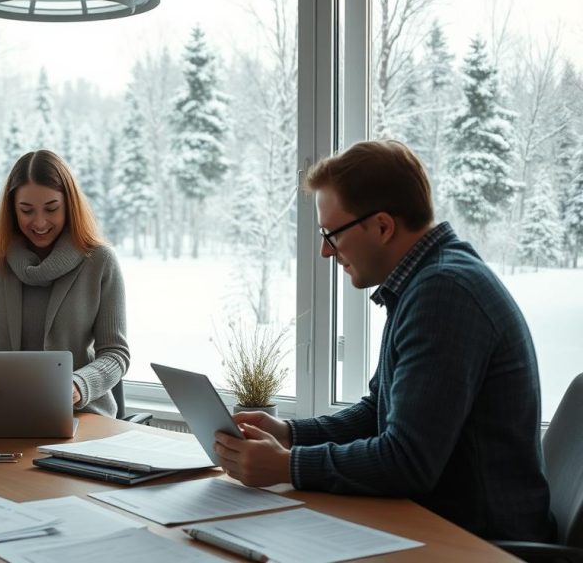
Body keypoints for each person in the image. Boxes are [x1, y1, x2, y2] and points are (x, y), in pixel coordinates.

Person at [214, 139, 554, 542]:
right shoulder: (427, 280)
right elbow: (378, 411)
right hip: (441, 523)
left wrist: (287, 466)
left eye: (331, 234)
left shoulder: (443, 293)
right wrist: (290, 433)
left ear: (382, 226)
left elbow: (406, 461)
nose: (325, 251)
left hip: (477, 542)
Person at [0, 150, 129, 416]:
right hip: (5, 415)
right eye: (26, 210)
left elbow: (115, 354)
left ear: (69, 205)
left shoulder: (100, 261)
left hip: (83, 415)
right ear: (12, 209)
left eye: (52, 208)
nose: (39, 222)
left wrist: (78, 384)